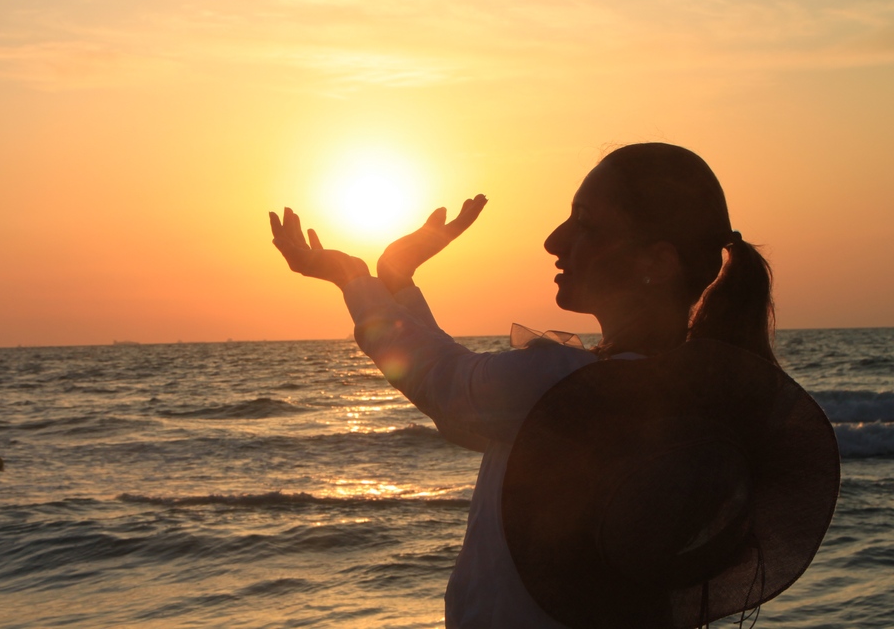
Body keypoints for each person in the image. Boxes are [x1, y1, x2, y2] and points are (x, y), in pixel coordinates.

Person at [270, 142, 838, 629]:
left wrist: (355, 279)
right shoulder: (678, 394)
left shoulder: (573, 385)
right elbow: (467, 401)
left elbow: (447, 385)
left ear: (656, 263)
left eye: (585, 223)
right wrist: (395, 281)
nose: (554, 240)